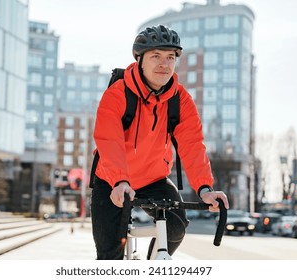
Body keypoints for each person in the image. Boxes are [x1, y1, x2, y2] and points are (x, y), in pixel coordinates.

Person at [91, 24, 229, 260]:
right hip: (112, 180)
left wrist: (205, 188)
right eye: (156, 56)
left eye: (170, 57)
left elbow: (192, 144)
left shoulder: (181, 100)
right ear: (139, 59)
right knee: (109, 256)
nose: (164, 64)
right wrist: (119, 181)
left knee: (176, 227)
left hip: (153, 178)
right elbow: (109, 139)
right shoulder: (117, 93)